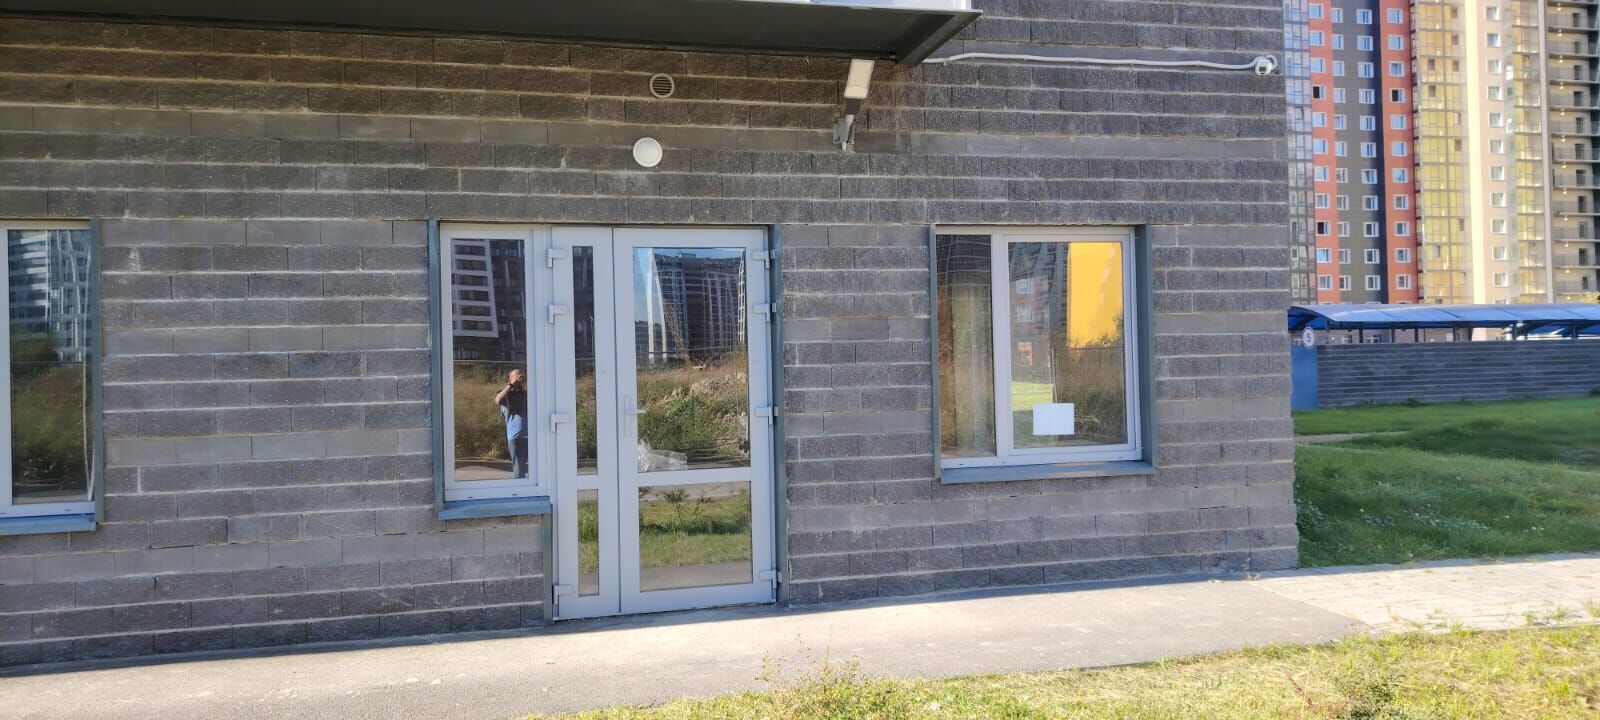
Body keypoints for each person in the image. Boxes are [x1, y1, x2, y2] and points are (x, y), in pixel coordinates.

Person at [494, 369, 529, 478]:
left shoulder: (527, 393)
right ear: (510, 379)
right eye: (516, 376)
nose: (519, 379)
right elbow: (497, 400)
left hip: (531, 436)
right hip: (515, 436)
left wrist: (523, 384)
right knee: (519, 471)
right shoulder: (507, 395)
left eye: (521, 376)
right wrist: (512, 384)